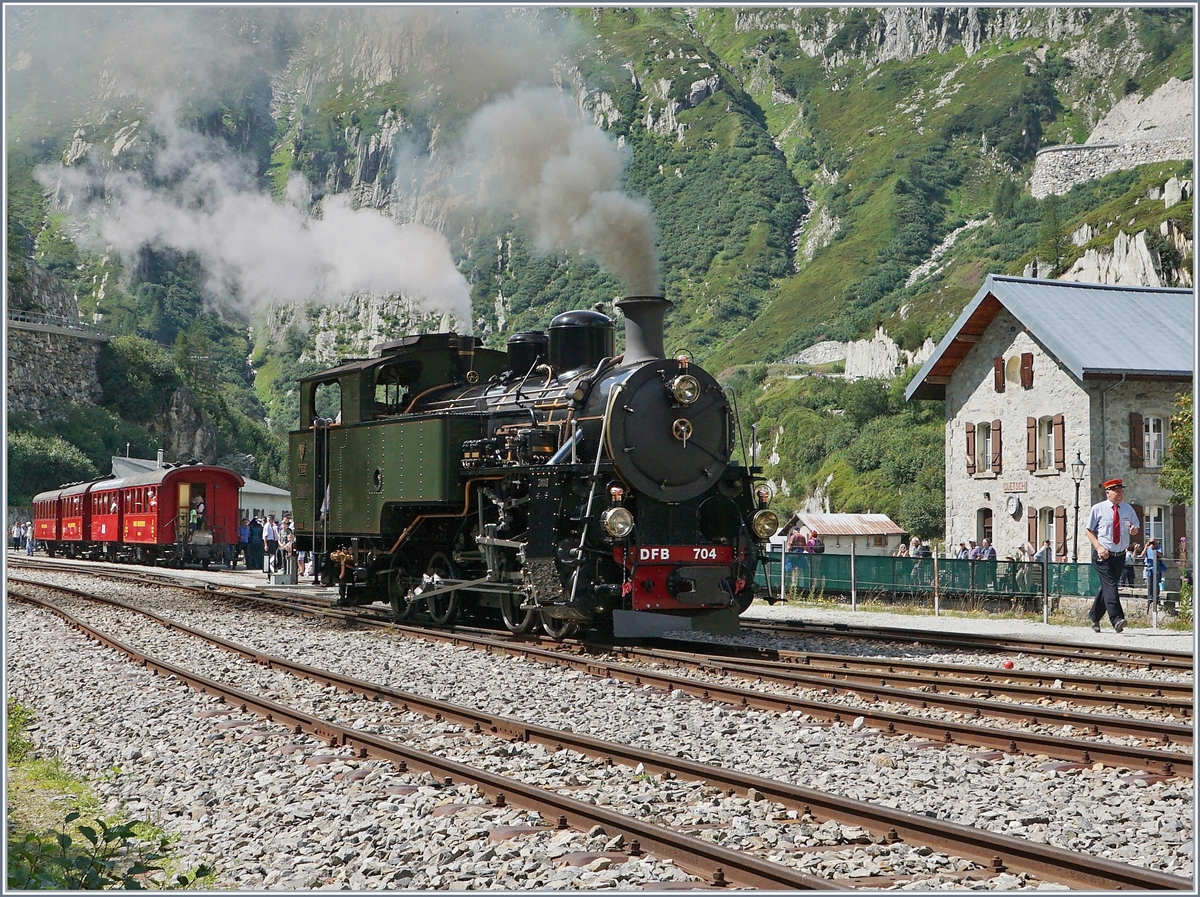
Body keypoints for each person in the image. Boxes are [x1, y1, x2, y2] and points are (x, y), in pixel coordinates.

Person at [1085, 477, 1141, 633]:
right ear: (1107, 492)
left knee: (1107, 588)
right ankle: (1116, 619)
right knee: (1111, 585)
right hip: (1103, 556)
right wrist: (1098, 546)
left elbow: (1135, 526)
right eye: (1116, 491)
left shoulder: (1128, 509)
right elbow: (1089, 530)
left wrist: (1134, 530)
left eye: (1121, 491)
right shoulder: (1098, 509)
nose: (1120, 494)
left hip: (1120, 555)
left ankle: (1094, 616)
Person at [1142, 538, 1168, 605]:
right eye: (1151, 542)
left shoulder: (1158, 548)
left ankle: (1156, 598)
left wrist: (1155, 550)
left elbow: (1161, 555)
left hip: (1156, 568)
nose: (1152, 544)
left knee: (1156, 584)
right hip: (1149, 569)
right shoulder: (1147, 548)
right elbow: (1142, 555)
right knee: (1150, 584)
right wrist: (1146, 547)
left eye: (1153, 542)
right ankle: (1150, 598)